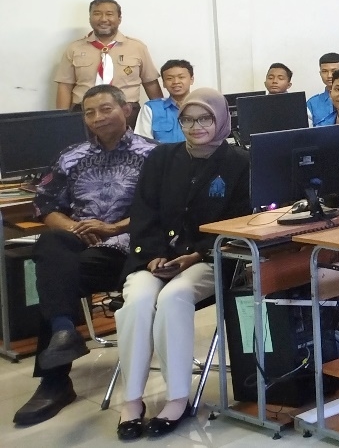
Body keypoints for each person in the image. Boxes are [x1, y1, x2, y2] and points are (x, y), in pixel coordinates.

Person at [12, 86, 157, 428]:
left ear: (126, 109)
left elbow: (164, 208)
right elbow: (45, 205)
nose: (97, 118)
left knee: (56, 276)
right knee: (51, 246)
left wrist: (113, 227)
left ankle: (54, 381)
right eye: (89, 112)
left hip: (130, 247)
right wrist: (74, 228)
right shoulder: (70, 156)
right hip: (81, 241)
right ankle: (64, 334)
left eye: (105, 109)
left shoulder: (155, 154)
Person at [114, 89, 251, 438]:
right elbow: (143, 212)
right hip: (154, 258)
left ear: (221, 119)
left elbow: (240, 222)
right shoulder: (162, 157)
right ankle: (132, 401)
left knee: (173, 297)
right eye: (187, 119)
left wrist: (196, 254)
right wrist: (153, 255)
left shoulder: (240, 162)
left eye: (204, 118)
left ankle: (177, 398)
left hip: (211, 257)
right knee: (139, 300)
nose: (195, 126)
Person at [55, 0, 162, 113]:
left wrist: (162, 115)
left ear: (119, 19)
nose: (103, 19)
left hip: (126, 111)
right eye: (97, 14)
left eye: (109, 14)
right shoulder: (74, 48)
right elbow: (65, 86)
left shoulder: (137, 47)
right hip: (85, 112)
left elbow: (151, 83)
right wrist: (61, 118)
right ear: (90, 18)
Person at [135, 60, 194, 143]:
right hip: (161, 152)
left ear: (191, 79)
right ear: (164, 83)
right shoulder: (151, 108)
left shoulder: (204, 106)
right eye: (169, 78)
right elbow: (142, 143)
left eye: (181, 77)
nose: (176, 82)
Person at [306, 53, 339, 127]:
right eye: (324, 71)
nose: (329, 76)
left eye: (334, 71)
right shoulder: (312, 104)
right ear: (320, 73)